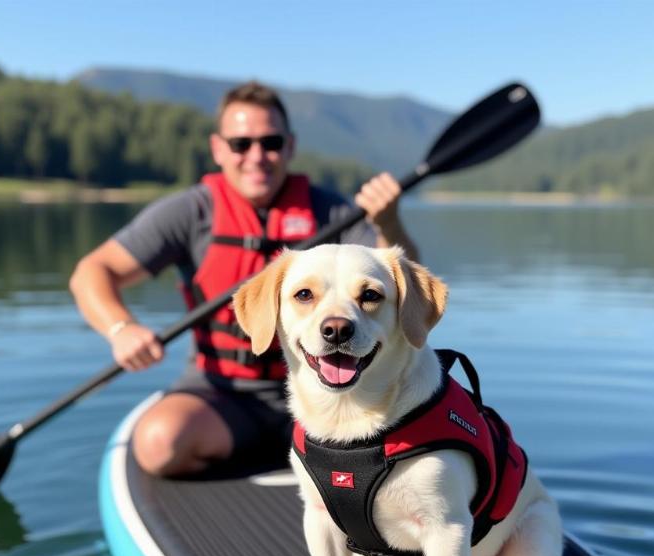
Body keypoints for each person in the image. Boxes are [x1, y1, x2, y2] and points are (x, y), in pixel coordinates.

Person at [70, 81, 420, 478]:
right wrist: (121, 328)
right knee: (159, 443)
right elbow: (92, 272)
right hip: (224, 395)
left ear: (289, 146)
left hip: (329, 390)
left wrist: (388, 223)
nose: (257, 157)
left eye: (270, 142)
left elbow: (400, 284)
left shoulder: (333, 212)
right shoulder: (190, 213)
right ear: (219, 149)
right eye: (241, 144)